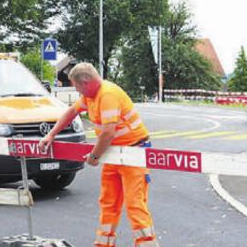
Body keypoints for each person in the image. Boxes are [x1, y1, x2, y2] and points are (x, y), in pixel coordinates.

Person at [38, 63, 158, 247]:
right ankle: (104, 244)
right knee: (108, 203)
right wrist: (51, 134)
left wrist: (94, 156)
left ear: (86, 82)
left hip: (133, 152)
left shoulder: (107, 95)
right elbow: (71, 112)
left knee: (135, 204)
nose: (76, 91)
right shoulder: (91, 96)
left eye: (76, 86)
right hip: (113, 153)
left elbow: (108, 133)